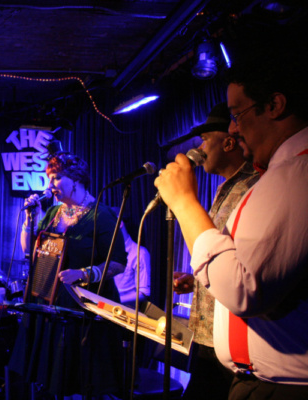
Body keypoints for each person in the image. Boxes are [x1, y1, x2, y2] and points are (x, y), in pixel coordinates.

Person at [154, 35, 308, 399]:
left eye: (238, 114)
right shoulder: (279, 173)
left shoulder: (298, 172)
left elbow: (245, 289)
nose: (235, 129)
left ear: (274, 105)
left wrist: (184, 203)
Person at [9, 151, 128, 398]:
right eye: (49, 178)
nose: (50, 185)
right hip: (50, 300)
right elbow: (28, 250)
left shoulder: (101, 214)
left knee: (77, 378)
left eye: (56, 177)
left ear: (76, 178)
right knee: (50, 377)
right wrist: (29, 219)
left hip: (82, 308)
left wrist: (83, 273)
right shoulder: (53, 214)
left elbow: (118, 263)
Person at [172, 102, 259, 400]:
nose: (200, 147)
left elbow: (249, 267)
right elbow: (225, 254)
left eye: (206, 139)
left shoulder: (254, 186)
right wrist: (196, 280)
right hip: (207, 339)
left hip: (233, 342)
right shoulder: (224, 188)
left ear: (229, 141)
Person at [112, 215, 151, 308]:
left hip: (125, 313)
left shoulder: (140, 253)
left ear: (120, 223)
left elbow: (144, 293)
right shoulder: (106, 251)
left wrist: (114, 301)